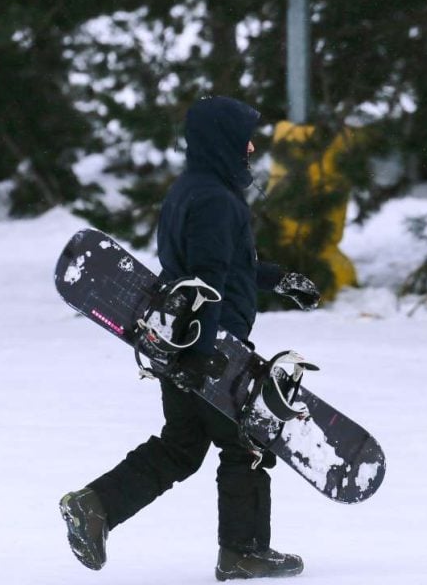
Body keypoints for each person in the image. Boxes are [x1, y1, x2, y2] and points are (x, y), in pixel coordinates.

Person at [59, 96, 321, 580]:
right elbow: (206, 280)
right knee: (246, 444)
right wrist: (207, 357)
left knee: (181, 447)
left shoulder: (191, 191)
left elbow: (216, 267)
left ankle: (95, 505)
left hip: (181, 343)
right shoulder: (216, 202)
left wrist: (279, 280)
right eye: (244, 136)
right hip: (209, 349)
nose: (251, 145)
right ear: (222, 139)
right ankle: (242, 552)